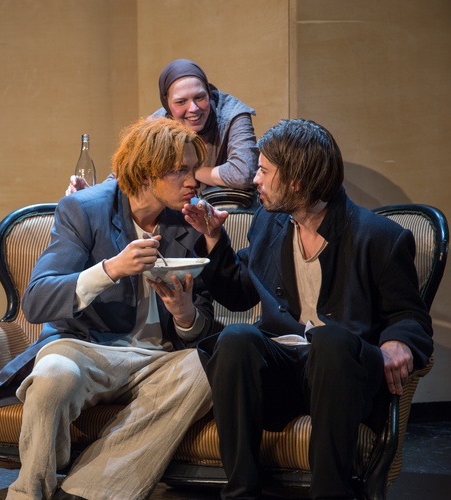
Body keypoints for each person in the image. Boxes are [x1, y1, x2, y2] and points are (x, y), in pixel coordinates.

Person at [182, 118, 433, 499]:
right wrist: (214, 238)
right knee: (235, 338)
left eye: (264, 171)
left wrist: (399, 339)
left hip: (343, 376)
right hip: (284, 370)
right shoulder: (269, 222)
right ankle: (240, 492)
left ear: (296, 181)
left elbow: (409, 315)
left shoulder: (379, 237)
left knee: (330, 341)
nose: (255, 180)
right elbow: (241, 292)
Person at [0, 117, 216, 500]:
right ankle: (29, 493)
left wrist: (184, 314)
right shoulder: (85, 209)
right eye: (181, 170)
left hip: (156, 359)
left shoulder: (190, 220)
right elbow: (37, 300)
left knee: (206, 370)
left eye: (195, 169)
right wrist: (110, 269)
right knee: (53, 376)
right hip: (85, 347)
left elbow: (202, 324)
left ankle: (88, 492)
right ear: (146, 171)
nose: (195, 181)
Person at [67, 58, 258, 195]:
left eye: (200, 97)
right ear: (167, 104)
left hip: (228, 213)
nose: (193, 108)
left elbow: (242, 174)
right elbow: (124, 175)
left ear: (209, 93)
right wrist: (91, 195)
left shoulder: (234, 114)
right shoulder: (157, 124)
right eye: (181, 102)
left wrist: (187, 170)